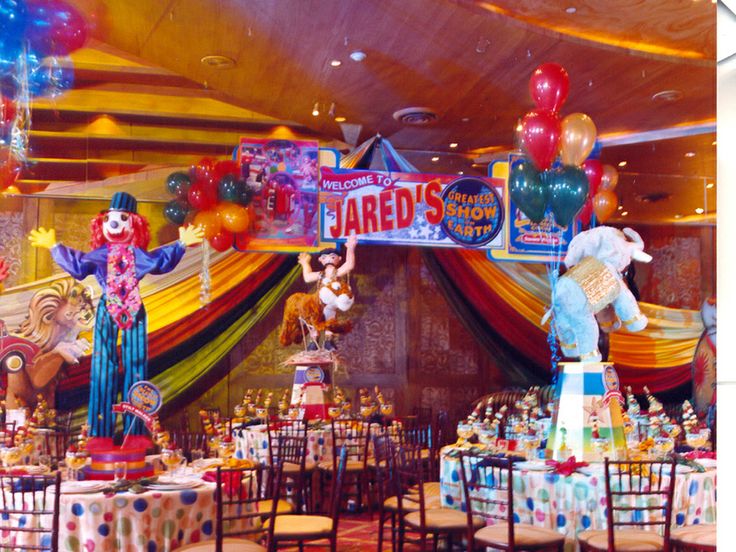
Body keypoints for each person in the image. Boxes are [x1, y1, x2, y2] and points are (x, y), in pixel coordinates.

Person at [28, 192, 203, 440]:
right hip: (107, 308)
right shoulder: (101, 254)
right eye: (110, 219)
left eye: (122, 219)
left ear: (134, 224)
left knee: (136, 365)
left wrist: (181, 244)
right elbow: (79, 265)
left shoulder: (137, 254)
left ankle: (135, 431)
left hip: (134, 309)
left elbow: (158, 261)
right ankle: (100, 433)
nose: (115, 224)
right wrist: (54, 246)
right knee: (103, 365)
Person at [297, 234, 357, 350]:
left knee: (330, 321)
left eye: (332, 257)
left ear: (339, 259)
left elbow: (349, 265)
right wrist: (305, 263)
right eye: (324, 257)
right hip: (318, 302)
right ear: (320, 260)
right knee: (315, 321)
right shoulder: (320, 274)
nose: (328, 259)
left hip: (330, 303)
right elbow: (308, 277)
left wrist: (350, 248)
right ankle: (313, 342)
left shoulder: (337, 272)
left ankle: (328, 341)